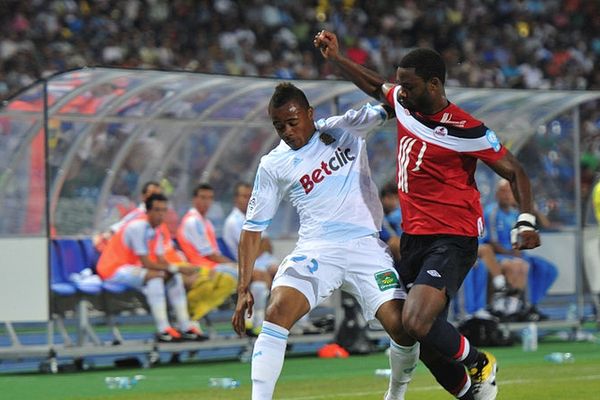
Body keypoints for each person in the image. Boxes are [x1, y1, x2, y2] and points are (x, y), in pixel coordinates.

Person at [315, 30, 541, 400]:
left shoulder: (468, 129)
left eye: (408, 84)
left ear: (434, 85)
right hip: (414, 239)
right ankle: (475, 394)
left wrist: (526, 220)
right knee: (422, 337)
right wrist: (337, 58)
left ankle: (480, 360)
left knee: (416, 321)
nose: (399, 91)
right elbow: (375, 85)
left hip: (453, 237)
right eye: (399, 83)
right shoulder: (406, 104)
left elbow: (515, 170)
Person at [232, 82, 420, 400]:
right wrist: (242, 288)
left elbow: (392, 104)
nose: (287, 131)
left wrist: (401, 90)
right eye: (279, 126)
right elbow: (252, 231)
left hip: (366, 247)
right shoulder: (273, 164)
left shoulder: (344, 127)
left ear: (309, 114)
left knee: (403, 328)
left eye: (293, 122)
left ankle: (395, 395)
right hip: (317, 248)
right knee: (276, 311)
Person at [96, 193, 205, 342]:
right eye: (157, 210)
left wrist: (175, 270)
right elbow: (147, 262)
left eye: (163, 210)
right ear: (148, 211)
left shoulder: (158, 229)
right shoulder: (138, 227)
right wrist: (178, 268)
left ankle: (185, 326)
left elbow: (161, 259)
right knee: (157, 277)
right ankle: (163, 329)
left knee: (174, 278)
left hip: (132, 268)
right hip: (113, 269)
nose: (161, 214)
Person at [177, 183, 270, 335]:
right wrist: (234, 265)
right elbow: (209, 255)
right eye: (202, 197)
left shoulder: (204, 221)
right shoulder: (193, 221)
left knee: (258, 275)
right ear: (194, 199)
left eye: (210, 198)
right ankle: (254, 322)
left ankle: (252, 322)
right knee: (257, 274)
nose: (206, 202)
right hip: (204, 268)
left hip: (211, 265)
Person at [483, 179, 557, 321]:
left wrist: (530, 207)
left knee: (547, 269)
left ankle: (530, 304)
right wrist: (511, 253)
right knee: (519, 266)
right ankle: (512, 308)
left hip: (516, 253)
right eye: (503, 192)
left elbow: (545, 224)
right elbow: (492, 242)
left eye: (510, 192)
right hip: (499, 255)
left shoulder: (516, 213)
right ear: (497, 194)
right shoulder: (491, 212)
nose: (506, 195)